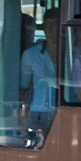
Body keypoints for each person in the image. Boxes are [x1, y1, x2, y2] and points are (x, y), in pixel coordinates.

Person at [18, 8, 62, 143]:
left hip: (63, 110)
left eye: (54, 25)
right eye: (46, 26)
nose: (49, 30)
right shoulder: (30, 55)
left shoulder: (71, 54)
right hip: (38, 111)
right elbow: (24, 86)